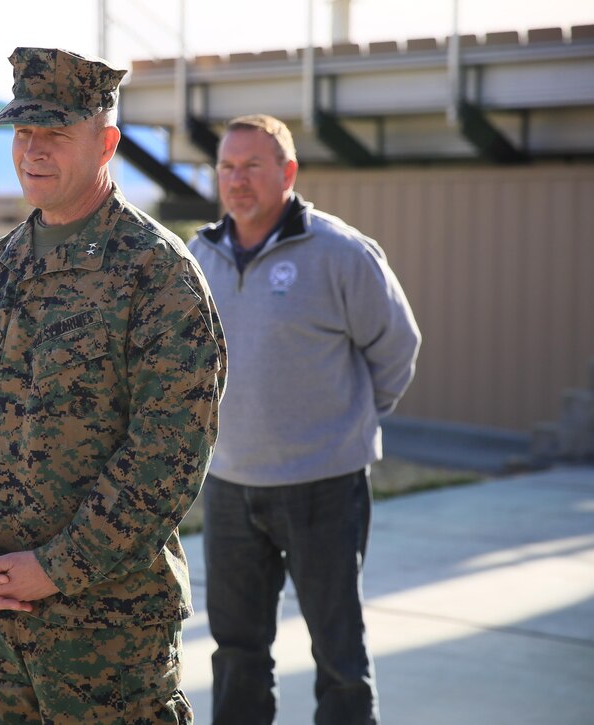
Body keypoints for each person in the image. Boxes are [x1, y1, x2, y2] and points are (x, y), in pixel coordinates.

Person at [0, 47, 227, 724]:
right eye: (23, 132)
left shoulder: (156, 274)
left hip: (108, 641)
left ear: (106, 143)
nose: (33, 150)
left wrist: (57, 565)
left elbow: (168, 455)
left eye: (55, 134)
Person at [187, 114, 421, 724]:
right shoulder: (198, 257)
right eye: (227, 167)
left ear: (288, 172)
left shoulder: (341, 253)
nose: (238, 181)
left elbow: (397, 348)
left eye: (253, 166)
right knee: (237, 652)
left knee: (338, 654)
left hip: (323, 487)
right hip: (231, 487)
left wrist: (347, 426)